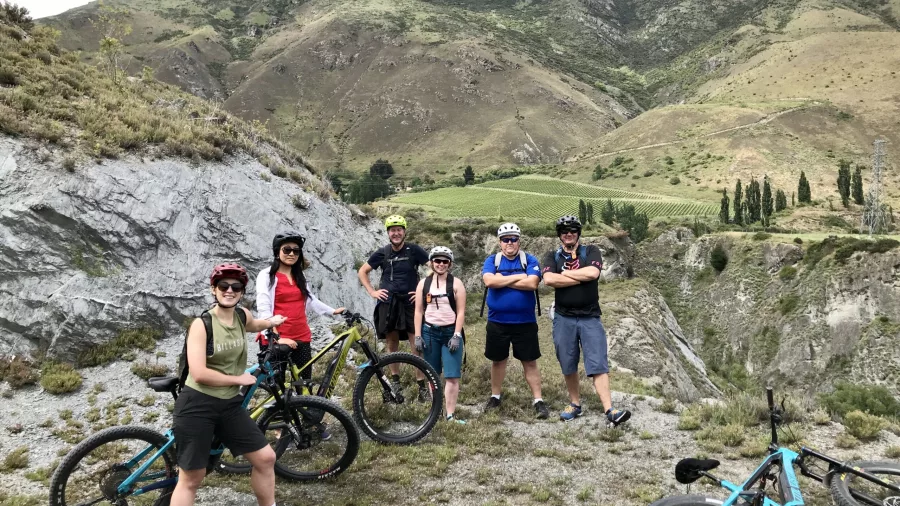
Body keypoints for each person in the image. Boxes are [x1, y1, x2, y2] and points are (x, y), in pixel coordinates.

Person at [172, 263, 286, 506]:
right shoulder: (201, 325)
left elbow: (254, 325)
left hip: (229, 405)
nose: (229, 290)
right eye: (223, 286)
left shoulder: (242, 315)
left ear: (242, 292)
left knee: (266, 458)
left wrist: (272, 321)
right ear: (214, 289)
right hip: (198, 403)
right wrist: (239, 378)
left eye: (236, 287)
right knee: (192, 477)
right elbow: (199, 373)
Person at [541, 215, 631, 425]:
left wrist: (564, 275)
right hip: (564, 318)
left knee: (598, 363)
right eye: (564, 231)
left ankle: (610, 409)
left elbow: (593, 273)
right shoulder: (551, 256)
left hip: (590, 316)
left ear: (578, 233)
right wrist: (576, 276)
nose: (568, 234)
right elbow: (548, 279)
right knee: (568, 361)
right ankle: (575, 404)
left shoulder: (591, 251)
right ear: (560, 236)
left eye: (572, 231)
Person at [256, 231, 345, 384]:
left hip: (302, 335)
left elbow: (311, 300)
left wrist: (332, 311)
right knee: (277, 387)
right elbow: (264, 307)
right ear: (277, 252)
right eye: (287, 250)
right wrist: (277, 337)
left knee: (305, 383)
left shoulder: (299, 276)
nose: (292, 253)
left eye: (296, 251)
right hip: (277, 338)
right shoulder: (266, 275)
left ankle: (304, 407)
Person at [357, 215, 430, 400]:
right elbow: (362, 271)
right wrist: (372, 292)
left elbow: (434, 268)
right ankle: (395, 383)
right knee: (392, 343)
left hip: (411, 303)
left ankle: (421, 386)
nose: (396, 233)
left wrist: (423, 291)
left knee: (417, 344)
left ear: (404, 231)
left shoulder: (414, 250)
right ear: (388, 233)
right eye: (392, 230)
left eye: (399, 229)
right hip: (388, 303)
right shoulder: (382, 252)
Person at [481, 223, 549, 419]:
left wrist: (505, 278)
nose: (509, 243)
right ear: (500, 242)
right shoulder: (492, 260)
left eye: (513, 239)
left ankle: (538, 400)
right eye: (505, 239)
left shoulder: (529, 259)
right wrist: (520, 277)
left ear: (519, 240)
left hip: (524, 322)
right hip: (497, 321)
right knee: (498, 361)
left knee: (530, 362)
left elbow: (533, 283)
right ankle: (495, 397)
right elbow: (489, 282)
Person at [413, 246, 467, 424]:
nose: (441, 264)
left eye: (445, 261)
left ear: (449, 264)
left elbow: (460, 312)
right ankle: (435, 413)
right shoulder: (424, 284)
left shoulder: (456, 284)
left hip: (450, 332)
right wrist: (418, 335)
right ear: (431, 263)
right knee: (432, 374)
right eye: (437, 261)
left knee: (452, 376)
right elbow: (419, 312)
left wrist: (457, 335)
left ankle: (450, 415)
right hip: (430, 332)